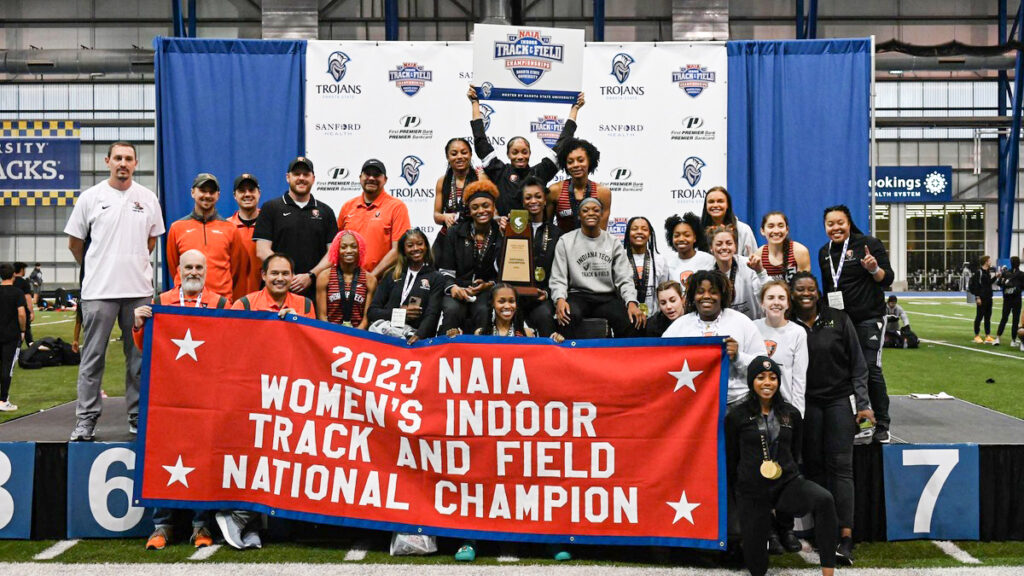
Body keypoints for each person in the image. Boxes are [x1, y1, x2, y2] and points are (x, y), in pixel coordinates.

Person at [64, 141, 165, 441]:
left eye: (129, 158)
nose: (123, 163)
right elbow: (75, 243)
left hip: (138, 293)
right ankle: (86, 420)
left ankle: (136, 416)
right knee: (92, 358)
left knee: (138, 359)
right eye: (117, 157)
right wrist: (99, 265)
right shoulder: (90, 198)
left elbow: (151, 241)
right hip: (98, 292)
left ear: (136, 163)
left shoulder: (148, 199)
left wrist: (129, 263)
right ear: (107, 161)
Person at [131, 250, 226, 551]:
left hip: (205, 394)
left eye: (199, 267)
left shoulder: (221, 304)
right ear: (178, 269)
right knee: (164, 452)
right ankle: (162, 525)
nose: (194, 272)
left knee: (202, 455)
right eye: (189, 267)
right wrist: (137, 325)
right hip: (167, 394)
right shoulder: (161, 303)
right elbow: (146, 345)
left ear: (206, 271)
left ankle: (201, 525)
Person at [726, 356, 838, 576]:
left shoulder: (791, 414)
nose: (767, 382)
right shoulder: (737, 417)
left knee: (824, 500)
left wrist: (787, 475)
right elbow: (732, 459)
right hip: (752, 492)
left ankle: (828, 571)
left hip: (786, 485)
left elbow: (795, 453)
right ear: (751, 381)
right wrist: (739, 500)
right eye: (761, 377)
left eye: (773, 377)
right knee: (757, 565)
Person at [791, 271, 874, 566]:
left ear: (818, 292)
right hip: (807, 405)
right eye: (800, 289)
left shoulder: (838, 318)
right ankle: (821, 529)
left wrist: (863, 403)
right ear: (792, 293)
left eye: (811, 289)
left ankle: (845, 535)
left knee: (841, 467)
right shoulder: (788, 323)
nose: (806, 293)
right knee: (813, 467)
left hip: (839, 401)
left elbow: (859, 365)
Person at [818, 204, 893, 443]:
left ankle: (882, 423)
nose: (835, 228)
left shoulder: (868, 244)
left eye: (840, 222)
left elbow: (887, 279)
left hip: (868, 319)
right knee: (844, 372)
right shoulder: (824, 252)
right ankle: (858, 420)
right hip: (840, 322)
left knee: (870, 370)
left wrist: (874, 269)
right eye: (830, 224)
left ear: (849, 223)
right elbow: (829, 288)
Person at [468, 87, 584, 216]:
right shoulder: (499, 172)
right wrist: (475, 103)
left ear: (530, 153)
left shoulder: (539, 173)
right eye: (515, 152)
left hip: (534, 233)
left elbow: (562, 145)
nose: (520, 156)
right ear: (508, 155)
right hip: (503, 231)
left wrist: (575, 109)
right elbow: (481, 142)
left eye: (524, 152)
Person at [663, 270, 767, 407]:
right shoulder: (679, 327)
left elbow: (763, 367)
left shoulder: (742, 322)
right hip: (692, 406)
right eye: (700, 292)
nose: (706, 296)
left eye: (713, 292)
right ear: (693, 296)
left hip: (737, 404)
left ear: (722, 295)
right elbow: (662, 362)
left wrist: (738, 357)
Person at [550, 197, 643, 338]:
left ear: (602, 214)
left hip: (606, 297)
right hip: (578, 295)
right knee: (566, 316)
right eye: (585, 210)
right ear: (579, 215)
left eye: (596, 210)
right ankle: (571, 359)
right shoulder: (566, 241)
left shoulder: (613, 243)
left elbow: (624, 278)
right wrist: (560, 299)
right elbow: (558, 278)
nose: (591, 213)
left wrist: (631, 302)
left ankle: (620, 359)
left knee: (632, 320)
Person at [253, 156, 338, 304]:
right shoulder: (271, 208)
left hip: (314, 291)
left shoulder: (326, 212)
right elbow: (262, 250)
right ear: (288, 177)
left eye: (306, 174)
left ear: (313, 178)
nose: (301, 178)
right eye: (296, 174)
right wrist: (286, 276)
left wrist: (311, 276)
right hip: (277, 289)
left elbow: (332, 253)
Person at [165, 173, 248, 299]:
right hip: (186, 303)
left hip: (220, 304)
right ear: (193, 192)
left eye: (212, 192)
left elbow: (236, 271)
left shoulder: (230, 229)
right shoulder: (177, 228)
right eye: (203, 191)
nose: (207, 196)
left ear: (218, 195)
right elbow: (174, 266)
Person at [436, 181, 501, 334]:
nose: (481, 211)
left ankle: (484, 354)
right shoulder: (454, 232)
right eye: (475, 207)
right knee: (451, 310)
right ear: (469, 210)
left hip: (485, 291)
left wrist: (488, 284)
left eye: (486, 205)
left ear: (493, 207)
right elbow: (445, 270)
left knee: (484, 311)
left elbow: (504, 273)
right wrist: (453, 288)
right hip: (458, 289)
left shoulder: (501, 233)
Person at [500, 177, 561, 337]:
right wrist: (504, 237)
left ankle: (548, 360)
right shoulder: (510, 228)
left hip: (541, 297)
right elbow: (498, 266)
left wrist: (547, 293)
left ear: (545, 200)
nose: (533, 201)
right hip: (512, 296)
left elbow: (561, 272)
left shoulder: (556, 233)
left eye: (538, 196)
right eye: (528, 197)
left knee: (544, 316)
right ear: (522, 201)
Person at [367, 228, 446, 344]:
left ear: (426, 247)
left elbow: (432, 313)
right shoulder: (392, 274)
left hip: (415, 338)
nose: (416, 249)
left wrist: (420, 335)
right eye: (410, 245)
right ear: (403, 250)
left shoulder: (436, 277)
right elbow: (372, 312)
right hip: (386, 336)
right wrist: (400, 314)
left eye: (420, 244)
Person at [337, 159, 412, 279]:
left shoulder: (397, 207)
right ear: (360, 177)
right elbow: (338, 246)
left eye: (377, 175)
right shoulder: (347, 207)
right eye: (367, 174)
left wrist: (372, 276)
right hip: (349, 281)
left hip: (383, 281)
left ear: (385, 179)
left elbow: (398, 248)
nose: (371, 178)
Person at [754, 281, 807, 416]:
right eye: (770, 298)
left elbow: (799, 378)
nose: (776, 302)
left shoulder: (798, 333)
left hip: (784, 407)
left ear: (788, 304)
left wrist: (798, 414)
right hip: (755, 406)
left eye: (781, 298)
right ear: (762, 303)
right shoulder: (752, 328)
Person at [548, 138, 612, 232]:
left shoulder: (603, 193)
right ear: (565, 165)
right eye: (570, 162)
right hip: (562, 245)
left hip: (593, 245)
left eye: (581, 160)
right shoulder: (554, 190)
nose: (575, 165)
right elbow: (547, 228)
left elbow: (602, 233)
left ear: (589, 161)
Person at [317, 230, 377, 329]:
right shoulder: (324, 277)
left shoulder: (370, 279)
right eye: (343, 247)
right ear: (336, 249)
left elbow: (366, 319)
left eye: (354, 246)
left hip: (358, 335)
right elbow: (322, 316)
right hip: (331, 333)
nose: (349, 251)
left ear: (360, 249)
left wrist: (354, 335)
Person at [707, 226, 768, 320]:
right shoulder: (708, 272)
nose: (724, 247)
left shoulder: (750, 264)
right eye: (719, 244)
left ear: (735, 246)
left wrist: (760, 271)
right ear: (711, 248)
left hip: (752, 324)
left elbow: (767, 294)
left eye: (729, 243)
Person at [232, 253, 316, 319]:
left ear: (292, 276)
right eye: (274, 273)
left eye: (285, 274)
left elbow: (309, 339)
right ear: (264, 275)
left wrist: (295, 320)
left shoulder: (306, 305)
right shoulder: (244, 305)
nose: (280, 278)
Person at [432, 138, 479, 236]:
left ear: (471, 154)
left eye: (464, 152)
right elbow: (436, 215)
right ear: (447, 157)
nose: (459, 157)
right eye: (454, 154)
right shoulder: (442, 181)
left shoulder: (480, 179)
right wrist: (445, 217)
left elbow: (490, 211)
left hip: (474, 235)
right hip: (449, 236)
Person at [228, 173, 263, 301]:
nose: (247, 194)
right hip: (232, 302)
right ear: (234, 196)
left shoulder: (271, 226)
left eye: (251, 190)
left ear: (259, 193)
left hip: (265, 304)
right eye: (242, 191)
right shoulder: (226, 227)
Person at [624, 216, 667, 318]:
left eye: (644, 229)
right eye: (634, 229)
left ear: (650, 234)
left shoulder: (660, 260)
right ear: (628, 233)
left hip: (654, 319)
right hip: (626, 319)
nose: (639, 232)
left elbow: (663, 290)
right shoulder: (620, 258)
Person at [662, 213, 714, 296]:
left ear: (695, 238)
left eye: (687, 235)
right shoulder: (667, 263)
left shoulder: (709, 260)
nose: (681, 239)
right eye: (677, 235)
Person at [0, 263, 27, 412]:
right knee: (7, 366)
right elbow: (22, 314)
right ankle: (3, 399)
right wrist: (23, 330)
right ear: (13, 276)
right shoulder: (17, 293)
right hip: (11, 334)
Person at [701, 186, 758, 257]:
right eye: (711, 202)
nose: (715, 205)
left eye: (720, 201)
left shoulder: (743, 229)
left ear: (728, 204)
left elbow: (751, 259)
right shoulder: (698, 230)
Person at [758, 211, 811, 284]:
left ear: (787, 230)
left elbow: (804, 287)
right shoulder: (759, 255)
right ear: (762, 231)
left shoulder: (800, 251)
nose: (776, 231)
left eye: (780, 226)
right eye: (771, 226)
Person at [969, 255, 998, 344]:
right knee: (979, 317)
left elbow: (988, 283)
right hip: (982, 297)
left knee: (988, 317)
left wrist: (996, 277)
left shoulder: (987, 271)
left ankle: (987, 335)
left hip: (989, 297)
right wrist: (977, 297)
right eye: (989, 260)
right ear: (985, 262)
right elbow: (976, 285)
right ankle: (977, 335)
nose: (990, 262)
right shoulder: (979, 272)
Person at [996, 256, 1023, 348]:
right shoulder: (1021, 274)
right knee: (1015, 320)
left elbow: (999, 283)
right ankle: (1013, 340)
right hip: (1016, 299)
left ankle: (998, 338)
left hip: (1007, 299)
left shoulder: (1005, 273)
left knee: (1004, 318)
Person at [11, 263, 33, 345]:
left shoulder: (10, 282)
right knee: (27, 334)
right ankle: (30, 350)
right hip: (23, 311)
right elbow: (28, 299)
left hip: (11, 312)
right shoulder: (24, 283)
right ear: (22, 270)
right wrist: (31, 312)